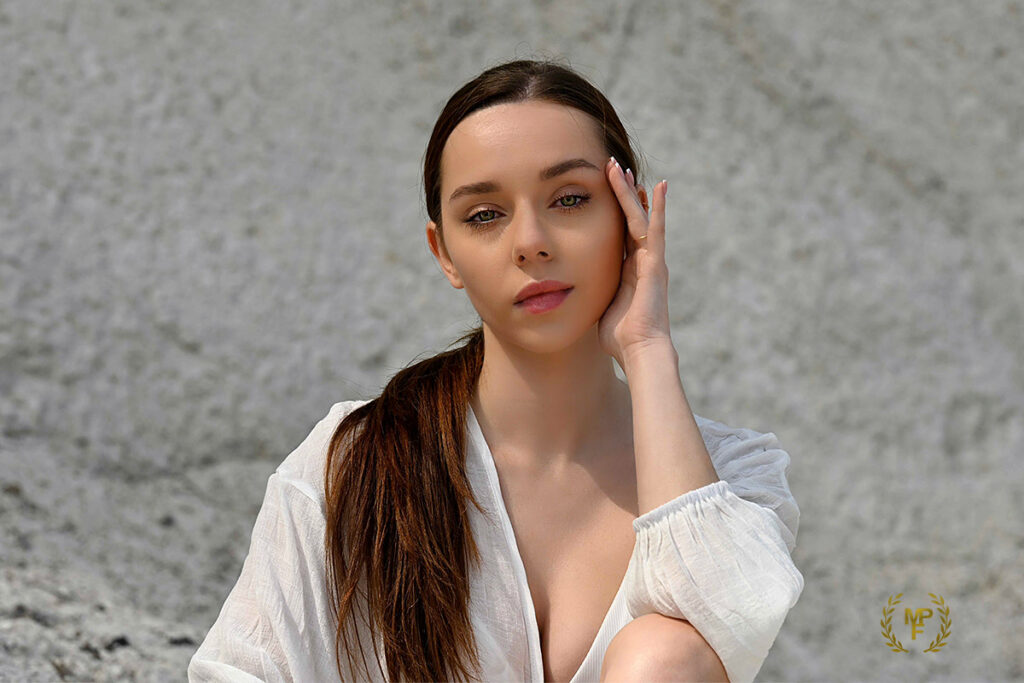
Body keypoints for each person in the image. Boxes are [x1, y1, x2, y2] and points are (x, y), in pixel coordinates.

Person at [188, 58, 804, 683]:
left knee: (665, 657)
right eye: (485, 214)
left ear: (631, 217)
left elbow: (732, 616)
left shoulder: (732, 478)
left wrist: (647, 348)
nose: (530, 242)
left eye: (569, 199)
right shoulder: (357, 461)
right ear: (444, 253)